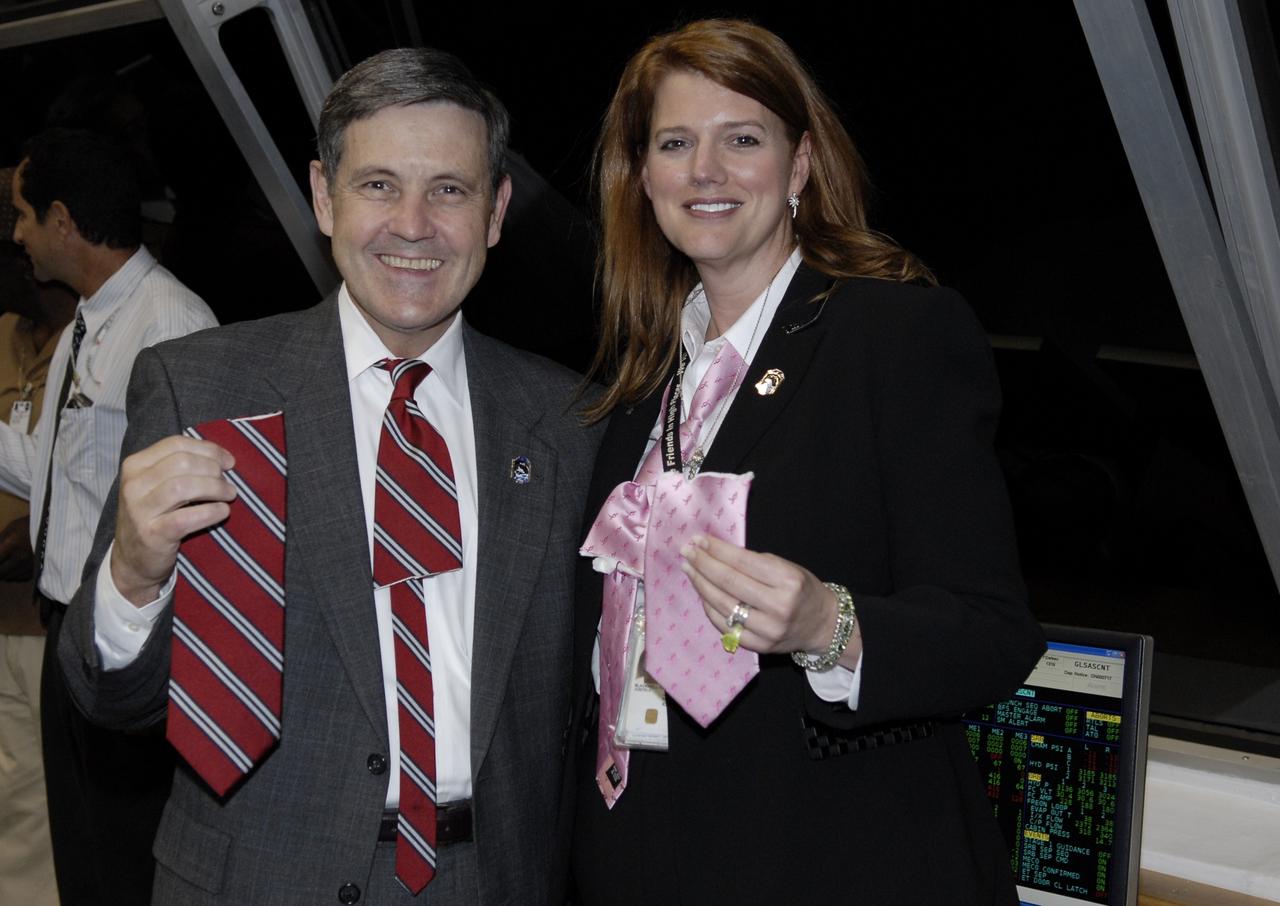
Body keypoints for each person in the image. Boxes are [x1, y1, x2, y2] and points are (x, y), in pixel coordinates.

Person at [58, 48, 600, 905]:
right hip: (259, 880)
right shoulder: (201, 387)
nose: (413, 225)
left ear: (497, 210)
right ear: (323, 196)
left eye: (450, 190)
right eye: (379, 185)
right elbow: (109, 697)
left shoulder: (574, 425)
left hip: (495, 881)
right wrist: (131, 573)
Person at [564, 19, 1046, 905]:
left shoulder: (895, 334)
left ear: (798, 166)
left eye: (741, 139)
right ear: (643, 178)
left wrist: (832, 625)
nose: (704, 170)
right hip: (643, 857)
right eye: (675, 143)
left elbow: (993, 634)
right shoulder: (637, 382)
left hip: (834, 860)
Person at [3, 130, 218, 905]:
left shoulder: (172, 324)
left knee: (127, 857)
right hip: (66, 627)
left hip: (129, 640)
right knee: (82, 853)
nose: (17, 236)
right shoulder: (87, 325)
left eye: (24, 217)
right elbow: (45, 471)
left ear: (63, 219)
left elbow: (202, 515)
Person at [0, 169, 74, 906]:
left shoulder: (92, 346)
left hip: (50, 624)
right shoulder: (1, 338)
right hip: (2, 623)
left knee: (41, 814)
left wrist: (40, 526)